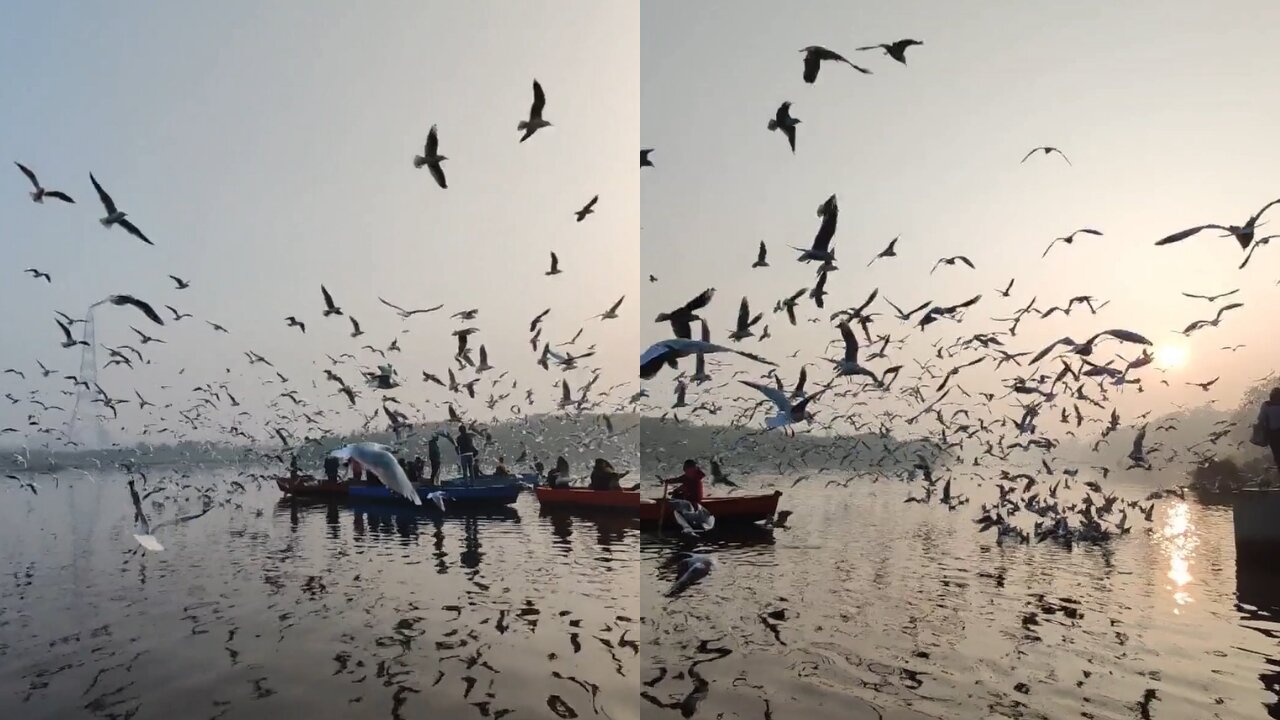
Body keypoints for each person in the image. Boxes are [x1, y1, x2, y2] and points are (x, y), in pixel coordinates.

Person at [1259, 387, 1280, 473]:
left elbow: (1261, 418)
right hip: (1274, 433)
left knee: (1277, 456)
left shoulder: (1266, 405)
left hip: (1273, 434)